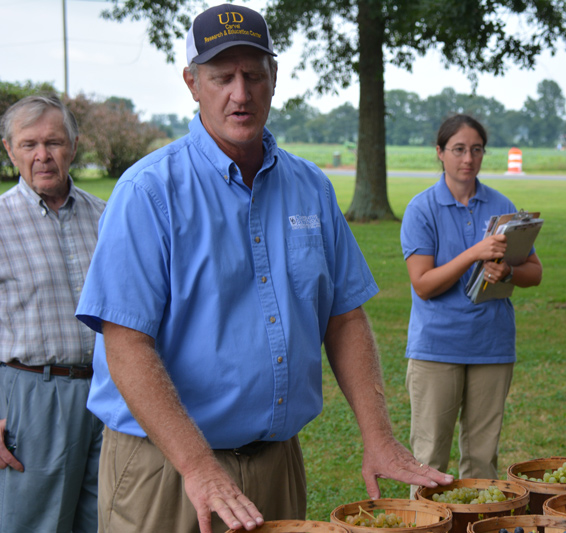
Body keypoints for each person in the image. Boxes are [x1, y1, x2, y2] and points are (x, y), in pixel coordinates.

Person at [75, 4, 452, 533]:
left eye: (253, 74)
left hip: (276, 462)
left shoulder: (310, 187)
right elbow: (126, 344)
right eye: (221, 76)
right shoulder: (148, 192)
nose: (240, 93)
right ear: (192, 83)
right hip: (166, 466)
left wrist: (379, 437)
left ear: (274, 78)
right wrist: (199, 467)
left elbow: (344, 317)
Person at [400, 115, 543, 490]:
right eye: (459, 149)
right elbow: (423, 284)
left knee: (482, 461)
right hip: (436, 348)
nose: (468, 159)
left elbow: (534, 271)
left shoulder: (501, 204)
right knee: (430, 459)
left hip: (491, 346)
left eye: (476, 150)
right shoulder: (422, 208)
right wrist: (474, 253)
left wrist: (507, 273)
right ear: (440, 153)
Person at [0, 94, 106, 532]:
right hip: (30, 398)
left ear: (74, 146)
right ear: (9, 150)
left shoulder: (106, 216)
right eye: (29, 145)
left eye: (54, 142)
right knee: (33, 525)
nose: (43, 155)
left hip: (107, 394)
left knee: (106, 518)